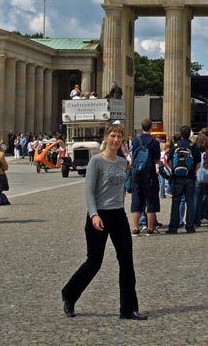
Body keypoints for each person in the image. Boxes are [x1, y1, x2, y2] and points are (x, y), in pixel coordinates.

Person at [61, 124, 145, 320]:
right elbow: (89, 191)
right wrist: (93, 214)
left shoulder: (123, 162)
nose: (116, 140)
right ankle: (69, 295)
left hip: (118, 214)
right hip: (98, 214)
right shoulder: (96, 162)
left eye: (119, 136)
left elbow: (122, 190)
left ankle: (128, 308)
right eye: (113, 136)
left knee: (126, 261)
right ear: (106, 138)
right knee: (94, 261)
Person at [165, 126, 201, 234]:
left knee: (176, 202)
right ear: (190, 134)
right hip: (189, 177)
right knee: (190, 201)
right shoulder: (193, 146)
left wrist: (174, 171)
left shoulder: (175, 146)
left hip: (177, 178)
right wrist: (194, 171)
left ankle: (173, 227)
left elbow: (169, 161)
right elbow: (198, 162)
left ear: (180, 134)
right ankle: (190, 226)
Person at [128, 118, 161, 236]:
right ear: (151, 127)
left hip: (137, 175)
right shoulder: (155, 142)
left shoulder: (136, 141)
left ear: (141, 127)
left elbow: (132, 157)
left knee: (136, 202)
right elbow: (157, 159)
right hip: (150, 175)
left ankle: (136, 228)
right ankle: (150, 228)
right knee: (150, 201)